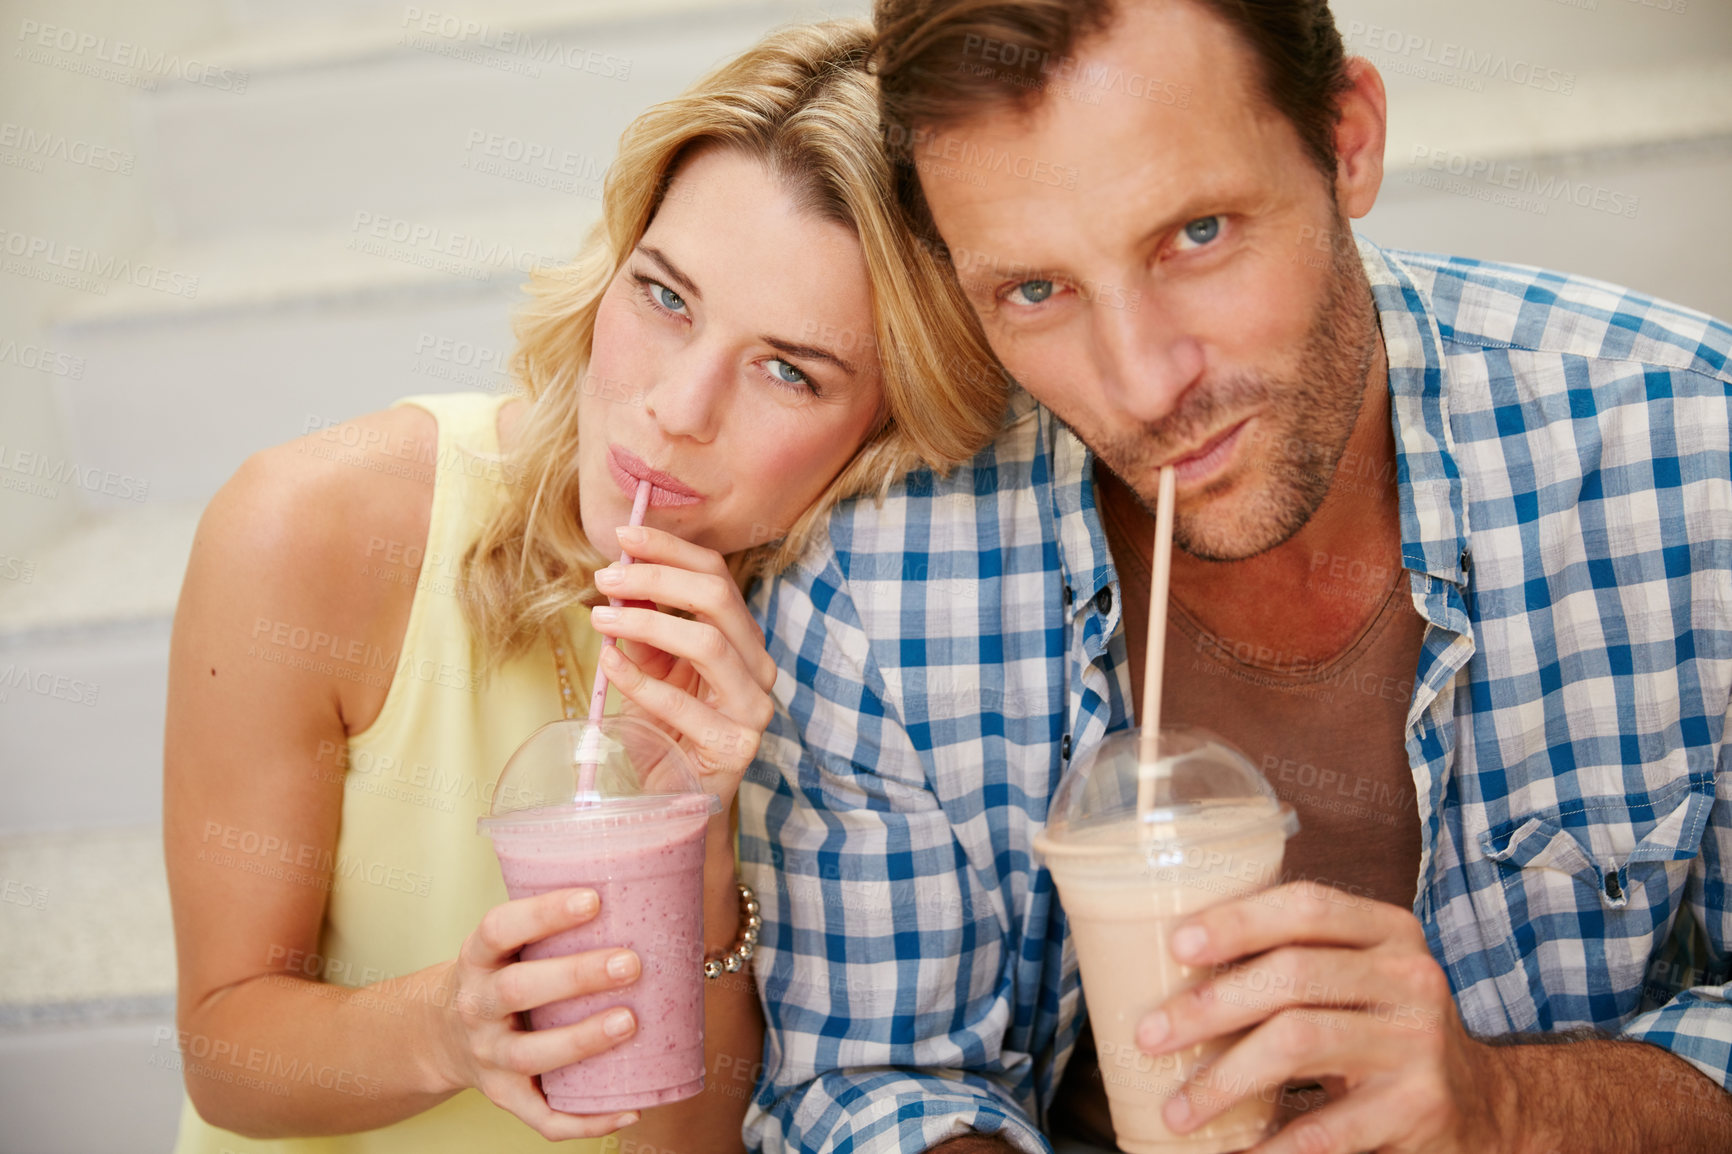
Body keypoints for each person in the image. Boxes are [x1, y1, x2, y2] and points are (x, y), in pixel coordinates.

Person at [737, 1, 1732, 1150]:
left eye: (1196, 233)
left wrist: (1515, 1108)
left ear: (1345, 139)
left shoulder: (1689, 458)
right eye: (1035, 290)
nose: (1144, 383)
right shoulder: (876, 582)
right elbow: (867, 1083)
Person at [161, 20, 1005, 1154]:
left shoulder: (838, 641)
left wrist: (698, 849)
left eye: (787, 369)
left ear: (880, 424)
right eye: (665, 298)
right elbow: (226, 1055)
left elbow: (686, 1143)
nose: (677, 407)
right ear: (614, 264)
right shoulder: (313, 530)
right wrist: (450, 1031)